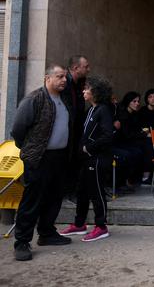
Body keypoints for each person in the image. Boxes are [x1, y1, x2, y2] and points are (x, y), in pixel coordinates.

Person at [11, 65, 73, 261]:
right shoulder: (34, 99)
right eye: (59, 76)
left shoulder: (64, 99)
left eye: (65, 76)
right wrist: (29, 148)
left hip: (59, 157)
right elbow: (18, 129)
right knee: (32, 200)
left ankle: (46, 233)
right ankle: (22, 242)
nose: (64, 80)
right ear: (48, 78)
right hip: (38, 158)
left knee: (54, 197)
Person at [60, 76, 115, 243]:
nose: (83, 91)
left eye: (87, 89)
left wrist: (88, 148)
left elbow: (108, 135)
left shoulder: (103, 110)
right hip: (86, 159)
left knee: (97, 192)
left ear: (95, 92)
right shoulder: (91, 109)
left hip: (97, 158)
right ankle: (79, 224)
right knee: (82, 191)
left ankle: (101, 227)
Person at [62, 55, 90, 195]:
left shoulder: (79, 83)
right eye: (86, 66)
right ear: (75, 68)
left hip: (76, 131)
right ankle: (68, 191)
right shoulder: (65, 84)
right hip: (67, 132)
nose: (88, 69)